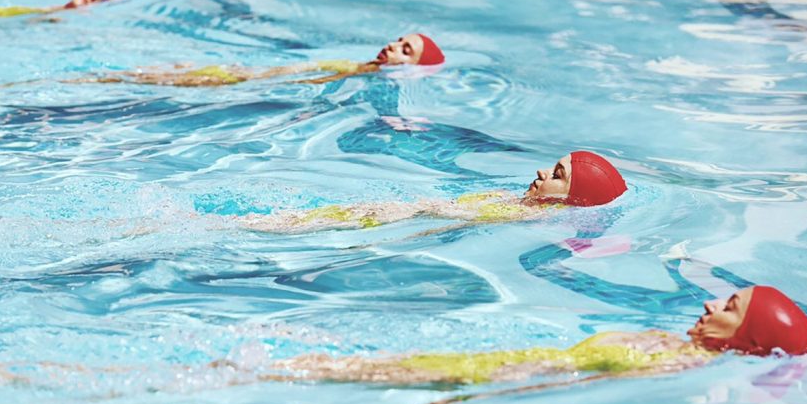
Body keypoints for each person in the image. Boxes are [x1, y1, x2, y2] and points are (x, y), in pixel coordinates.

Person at [0, 286, 807, 391]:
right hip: (460, 365)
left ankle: (34, 376)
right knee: (264, 368)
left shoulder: (661, 357)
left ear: (744, 338)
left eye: (729, 305)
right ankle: (38, 373)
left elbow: (552, 373)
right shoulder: (674, 352)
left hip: (454, 368)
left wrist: (450, 383)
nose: (710, 300)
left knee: (257, 373)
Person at [240, 150, 627, 233]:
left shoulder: (522, 215)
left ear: (573, 198)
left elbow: (440, 221)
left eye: (557, 174)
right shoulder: (517, 205)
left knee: (277, 225)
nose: (542, 171)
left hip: (393, 219)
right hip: (397, 211)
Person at [91, 32, 445, 88]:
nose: (393, 46)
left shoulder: (353, 69)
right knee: (121, 79)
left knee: (126, 77)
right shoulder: (354, 72)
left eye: (405, 51)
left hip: (237, 76)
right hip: (233, 78)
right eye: (399, 41)